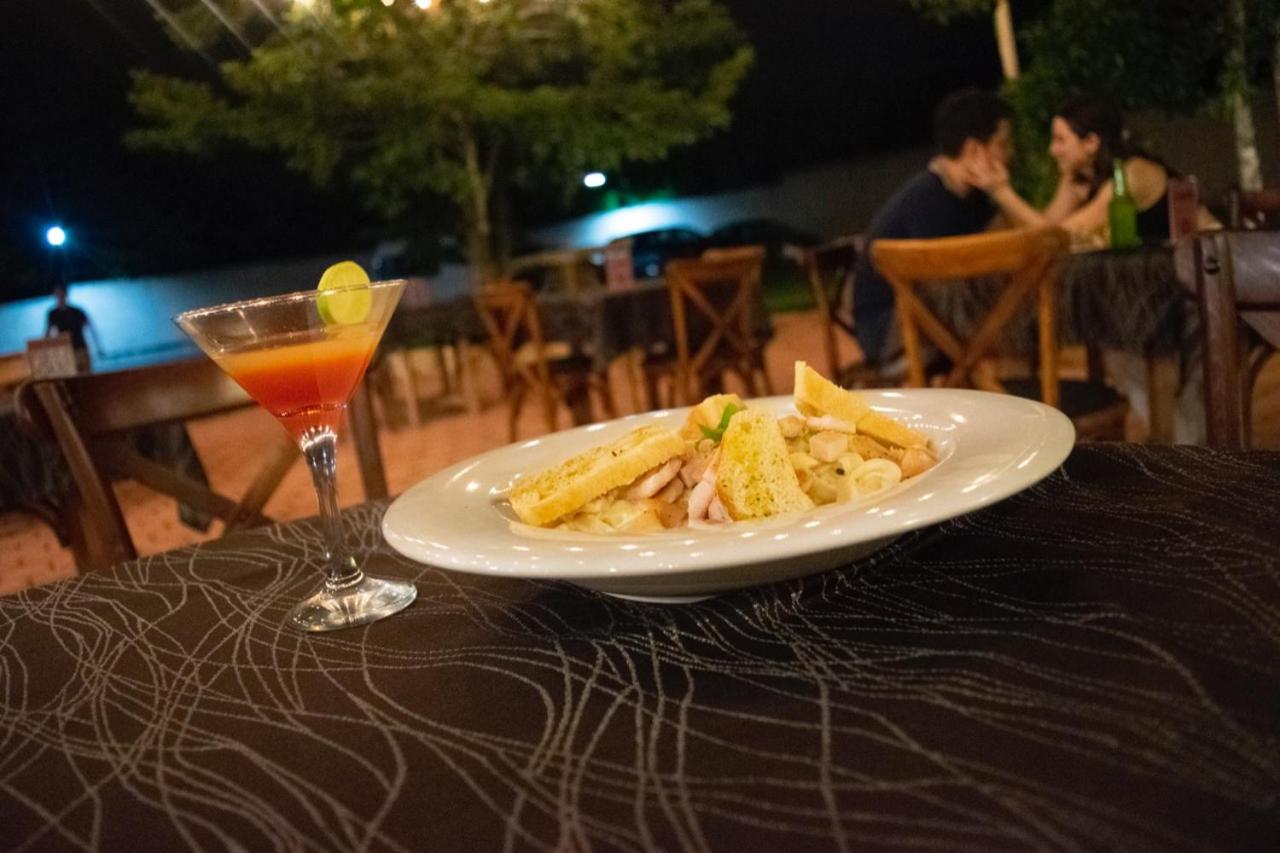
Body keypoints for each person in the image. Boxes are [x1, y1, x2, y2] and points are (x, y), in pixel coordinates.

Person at [851, 89, 1012, 369]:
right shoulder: (927, 200)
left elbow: (1020, 240)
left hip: (930, 326)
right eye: (1003, 144)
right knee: (1005, 320)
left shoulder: (971, 197)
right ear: (974, 150)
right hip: (889, 337)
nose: (1010, 154)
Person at [973, 97, 1218, 241]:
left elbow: (1064, 237)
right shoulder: (1077, 177)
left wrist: (1004, 193)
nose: (1052, 150)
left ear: (1091, 143)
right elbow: (1045, 231)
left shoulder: (1131, 173)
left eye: (1060, 140)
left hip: (1210, 266)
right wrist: (1002, 198)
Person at [45, 284, 101, 372]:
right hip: (66, 351)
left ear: (66, 295)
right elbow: (47, 334)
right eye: (58, 295)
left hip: (81, 348)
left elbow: (91, 328)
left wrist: (98, 347)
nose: (60, 298)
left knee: (86, 374)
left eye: (62, 295)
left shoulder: (77, 311)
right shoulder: (53, 314)